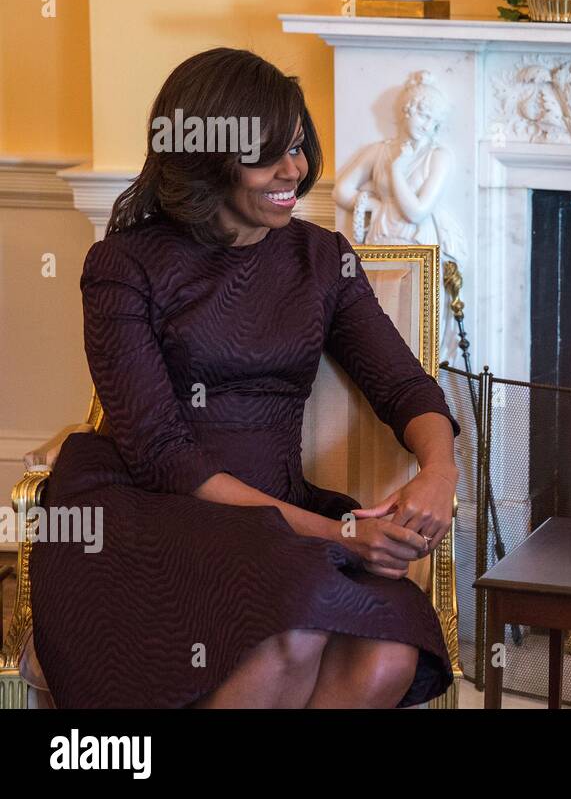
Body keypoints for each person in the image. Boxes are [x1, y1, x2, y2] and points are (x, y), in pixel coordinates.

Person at [29, 47, 460, 708]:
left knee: (388, 653)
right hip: (157, 514)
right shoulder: (122, 265)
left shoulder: (320, 258)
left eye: (297, 146)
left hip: (277, 511)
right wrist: (345, 534)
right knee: (292, 630)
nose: (296, 170)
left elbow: (405, 388)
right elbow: (166, 459)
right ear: (208, 161)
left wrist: (439, 471)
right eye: (268, 155)